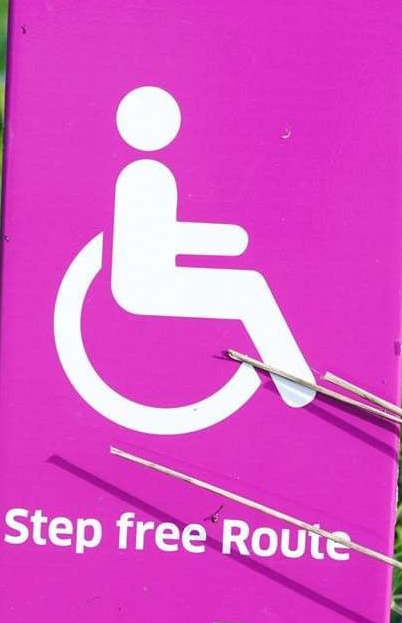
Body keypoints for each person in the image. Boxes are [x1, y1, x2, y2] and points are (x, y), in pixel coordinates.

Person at [109, 86, 314, 408]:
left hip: (160, 273)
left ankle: (294, 383)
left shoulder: (148, 172)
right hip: (146, 285)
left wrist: (226, 241)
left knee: (249, 287)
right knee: (249, 289)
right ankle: (298, 389)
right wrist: (228, 240)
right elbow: (156, 242)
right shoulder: (147, 176)